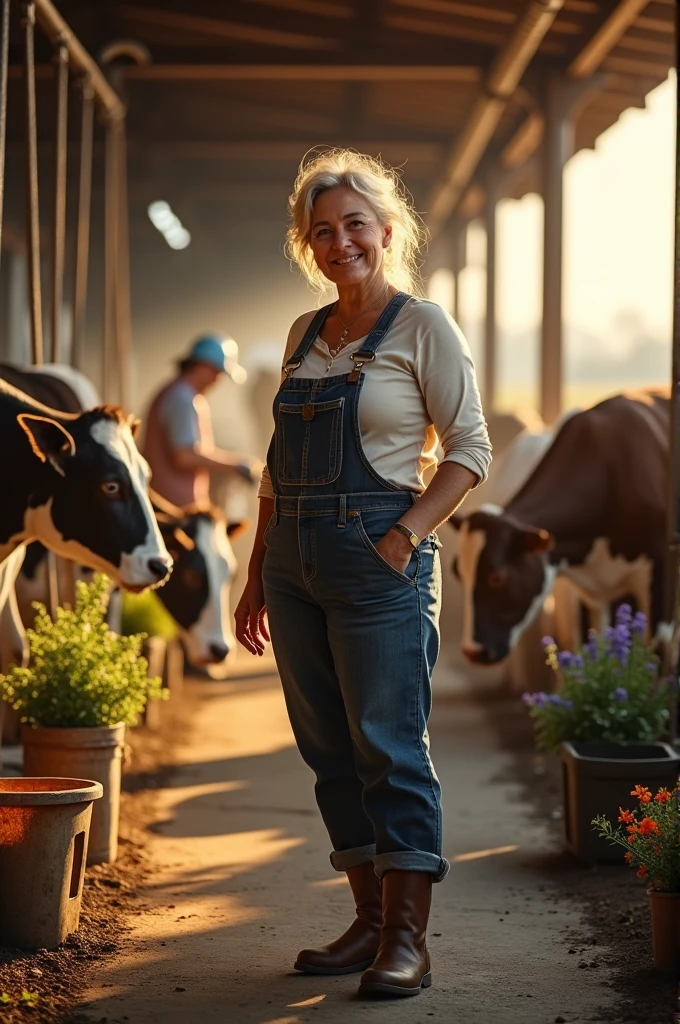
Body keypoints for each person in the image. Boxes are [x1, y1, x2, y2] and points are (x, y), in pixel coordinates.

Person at [235, 150, 491, 998]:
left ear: (386, 232)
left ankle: (409, 941)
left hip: (379, 553)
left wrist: (406, 537)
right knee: (328, 750)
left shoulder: (425, 327)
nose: (339, 241)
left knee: (389, 747)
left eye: (354, 225)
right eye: (321, 231)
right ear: (307, 246)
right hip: (293, 560)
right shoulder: (304, 333)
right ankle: (369, 920)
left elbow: (469, 453)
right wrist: (255, 569)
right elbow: (275, 468)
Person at [142, 334, 261, 508]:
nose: (217, 380)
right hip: (174, 508)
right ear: (202, 366)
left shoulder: (174, 392)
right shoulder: (182, 398)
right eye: (217, 372)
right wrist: (237, 465)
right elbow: (184, 456)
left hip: (169, 504)